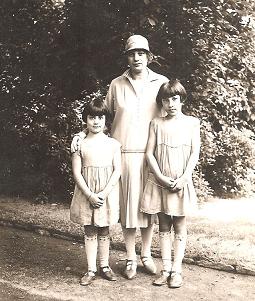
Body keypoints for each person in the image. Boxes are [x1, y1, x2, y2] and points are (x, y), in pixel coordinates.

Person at [71, 35, 168, 280]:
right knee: (127, 209)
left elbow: (170, 116)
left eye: (141, 53)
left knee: (148, 208)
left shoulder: (161, 82)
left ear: (149, 56)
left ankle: (146, 255)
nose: (136, 58)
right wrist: (81, 134)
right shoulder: (116, 84)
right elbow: (101, 116)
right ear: (126, 56)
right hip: (122, 154)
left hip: (150, 155)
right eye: (132, 53)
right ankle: (130, 258)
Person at [140, 79, 200, 288]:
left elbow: (194, 153)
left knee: (179, 224)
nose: (171, 104)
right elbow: (149, 153)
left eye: (174, 99)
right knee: (163, 224)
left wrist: (184, 178)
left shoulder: (192, 123)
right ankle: (165, 269)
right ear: (162, 103)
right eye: (166, 100)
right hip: (160, 182)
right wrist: (160, 177)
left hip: (181, 182)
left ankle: (177, 270)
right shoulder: (157, 123)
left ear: (182, 99)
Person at [70, 98, 121, 286]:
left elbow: (117, 171)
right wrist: (90, 195)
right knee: (89, 229)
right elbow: (76, 172)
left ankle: (104, 266)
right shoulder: (79, 144)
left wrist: (104, 193)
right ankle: (91, 269)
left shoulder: (113, 144)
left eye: (100, 117)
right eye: (92, 117)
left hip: (105, 193)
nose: (96, 121)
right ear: (86, 119)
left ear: (106, 119)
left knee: (104, 228)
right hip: (87, 193)